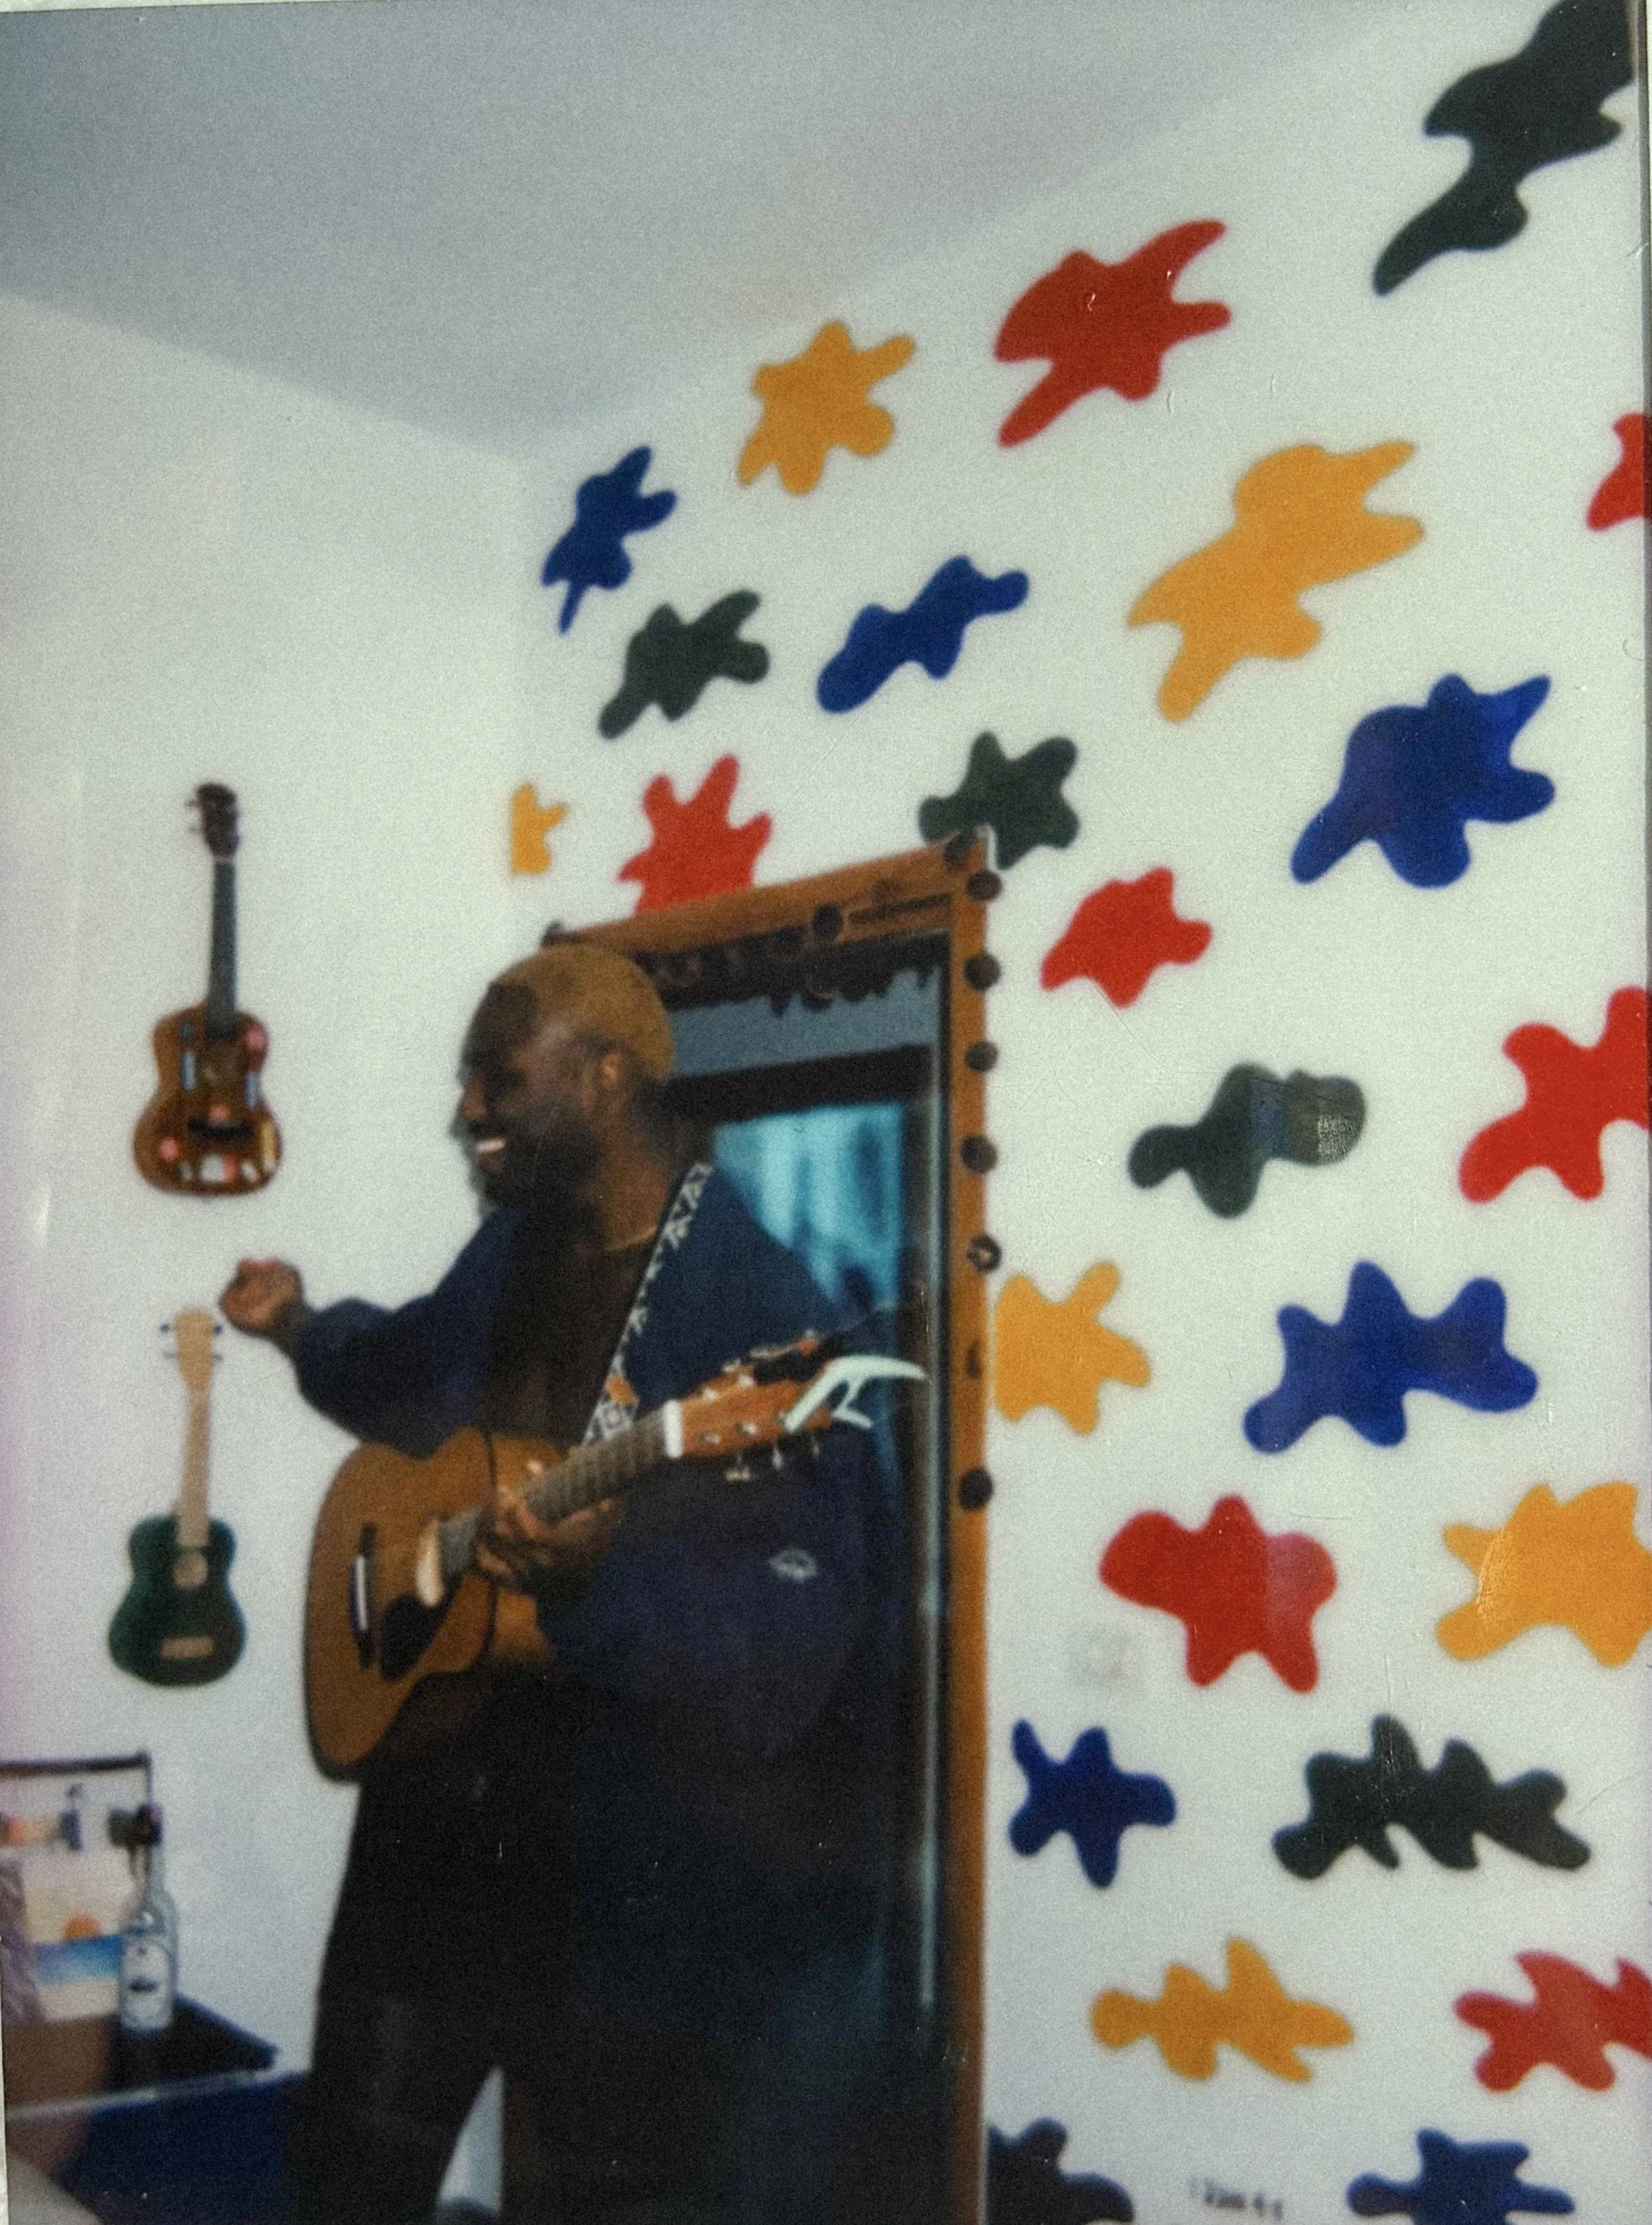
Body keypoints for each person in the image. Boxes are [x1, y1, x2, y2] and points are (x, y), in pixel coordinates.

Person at [221, 942, 897, 2225]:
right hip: (431, 1826)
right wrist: (302, 1324)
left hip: (628, 1882)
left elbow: (784, 1657)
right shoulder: (514, 1255)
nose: (466, 1109)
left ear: (600, 1077)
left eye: (494, 1077)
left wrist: (596, 1586)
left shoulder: (755, 1314)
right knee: (345, 2184)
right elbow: (410, 1372)